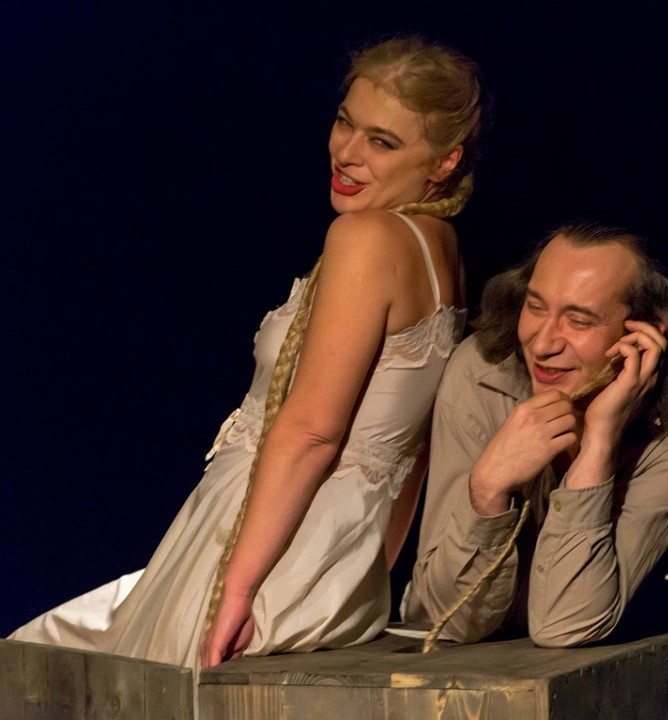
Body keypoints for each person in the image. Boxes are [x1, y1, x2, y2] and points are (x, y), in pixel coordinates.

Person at [10, 35, 486, 673]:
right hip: (332, 562)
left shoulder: (366, 237)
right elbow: (411, 452)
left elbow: (313, 431)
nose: (346, 152)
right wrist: (374, 570)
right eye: (345, 122)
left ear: (444, 162)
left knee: (57, 671)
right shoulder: (440, 248)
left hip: (266, 552)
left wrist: (233, 593)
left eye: (382, 141)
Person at [402, 222, 668, 649]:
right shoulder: (481, 374)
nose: (542, 344)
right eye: (535, 307)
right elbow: (453, 621)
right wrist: (488, 489)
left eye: (579, 320)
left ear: (643, 335)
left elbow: (565, 626)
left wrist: (599, 442)